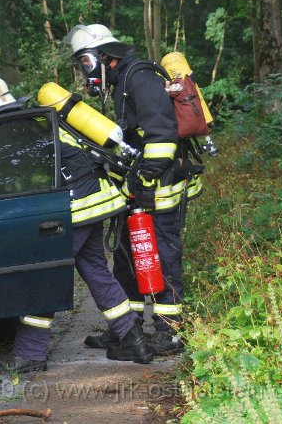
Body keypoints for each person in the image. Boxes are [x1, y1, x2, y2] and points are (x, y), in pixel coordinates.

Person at [0, 78, 153, 374]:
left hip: (73, 209)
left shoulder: (15, 132)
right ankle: (133, 339)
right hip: (93, 202)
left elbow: (19, 181)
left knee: (43, 276)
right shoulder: (33, 121)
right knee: (95, 270)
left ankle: (30, 354)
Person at [64, 23, 193, 356]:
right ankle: (127, 328)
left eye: (86, 62)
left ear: (104, 56)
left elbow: (163, 136)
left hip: (160, 190)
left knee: (164, 256)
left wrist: (146, 179)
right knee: (126, 257)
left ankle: (170, 332)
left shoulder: (140, 78)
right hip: (137, 190)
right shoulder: (122, 82)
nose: (84, 70)